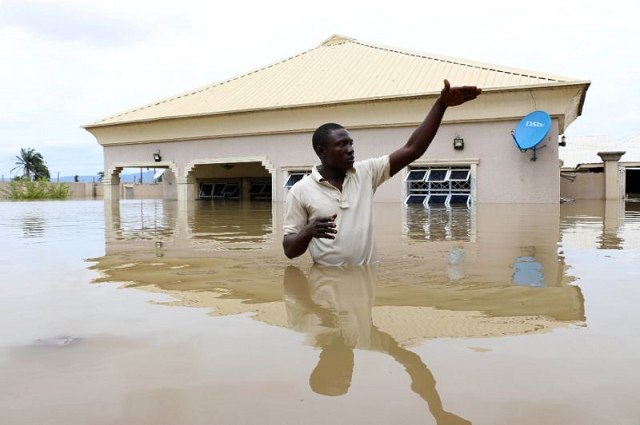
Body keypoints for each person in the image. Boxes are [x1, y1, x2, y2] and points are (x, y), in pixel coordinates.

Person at [283, 80, 481, 265]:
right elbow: (289, 251)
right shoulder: (300, 191)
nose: (350, 149)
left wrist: (441, 105)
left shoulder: (366, 173)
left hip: (364, 287)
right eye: (341, 144)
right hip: (325, 288)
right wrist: (308, 232)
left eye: (351, 143)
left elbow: (413, 149)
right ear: (322, 151)